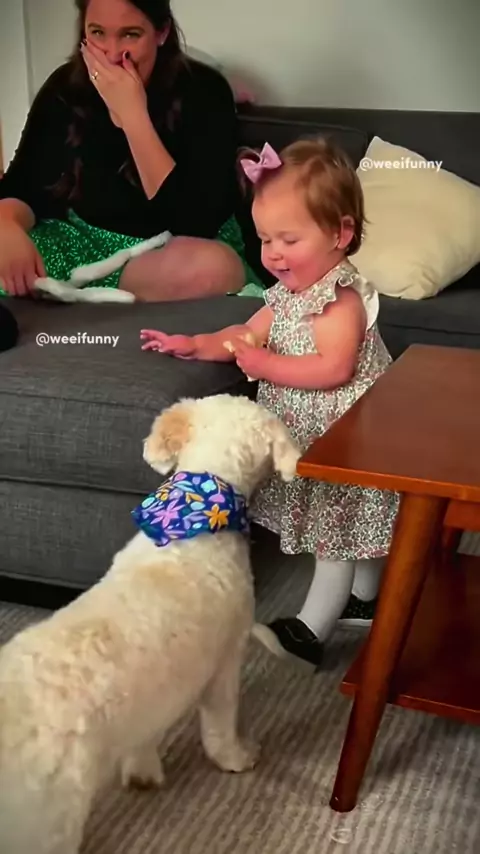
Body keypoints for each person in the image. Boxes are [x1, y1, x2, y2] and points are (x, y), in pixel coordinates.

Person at [139, 137, 400, 668]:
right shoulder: (285, 297)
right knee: (351, 523)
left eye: (289, 239)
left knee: (335, 534)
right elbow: (245, 334)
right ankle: (366, 600)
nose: (274, 253)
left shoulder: (340, 300)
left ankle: (310, 631)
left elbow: (334, 368)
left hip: (348, 441)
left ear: (340, 233)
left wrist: (266, 367)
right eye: (264, 239)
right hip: (314, 438)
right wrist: (197, 344)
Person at [0, 0, 265, 301]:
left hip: (167, 252)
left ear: (161, 33)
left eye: (130, 35)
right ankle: (75, 291)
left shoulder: (205, 90)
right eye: (97, 33)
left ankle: (69, 292)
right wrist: (6, 225)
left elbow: (193, 223)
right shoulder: (64, 87)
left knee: (214, 268)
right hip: (82, 244)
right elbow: (22, 186)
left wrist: (133, 117)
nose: (113, 54)